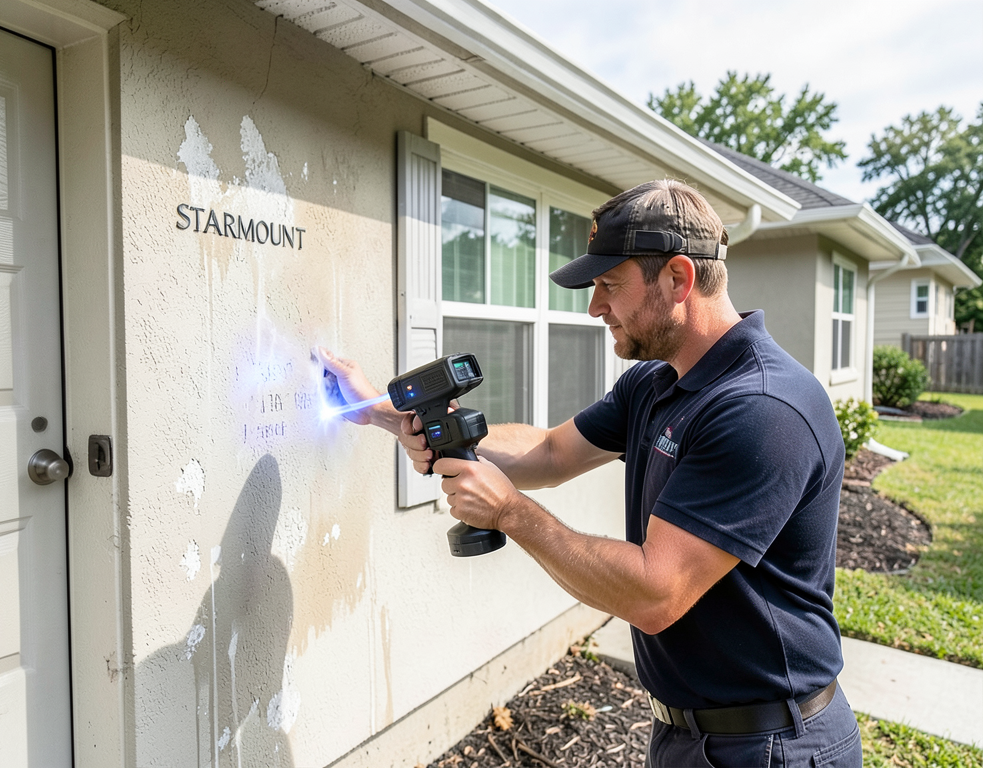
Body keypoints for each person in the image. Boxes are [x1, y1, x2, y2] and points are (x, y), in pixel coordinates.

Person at [317, 179, 861, 767]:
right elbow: (548, 453)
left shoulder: (760, 407)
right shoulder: (657, 383)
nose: (595, 305)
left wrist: (510, 513)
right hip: (690, 736)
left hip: (770, 744)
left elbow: (658, 593)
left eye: (610, 285)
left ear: (678, 279)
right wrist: (392, 417)